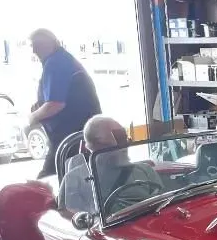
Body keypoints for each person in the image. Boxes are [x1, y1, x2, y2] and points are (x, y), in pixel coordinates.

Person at [27, 29, 102, 178]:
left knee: (47, 179)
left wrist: (33, 117)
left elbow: (55, 104)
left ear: (51, 43)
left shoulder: (55, 63)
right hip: (80, 134)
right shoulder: (63, 60)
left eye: (38, 45)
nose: (34, 50)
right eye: (33, 46)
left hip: (71, 137)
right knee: (76, 177)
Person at [58, 115, 163, 218]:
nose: (125, 146)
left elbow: (163, 206)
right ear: (95, 146)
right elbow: (69, 217)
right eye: (118, 141)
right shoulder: (74, 179)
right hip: (106, 228)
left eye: (125, 139)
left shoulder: (145, 170)